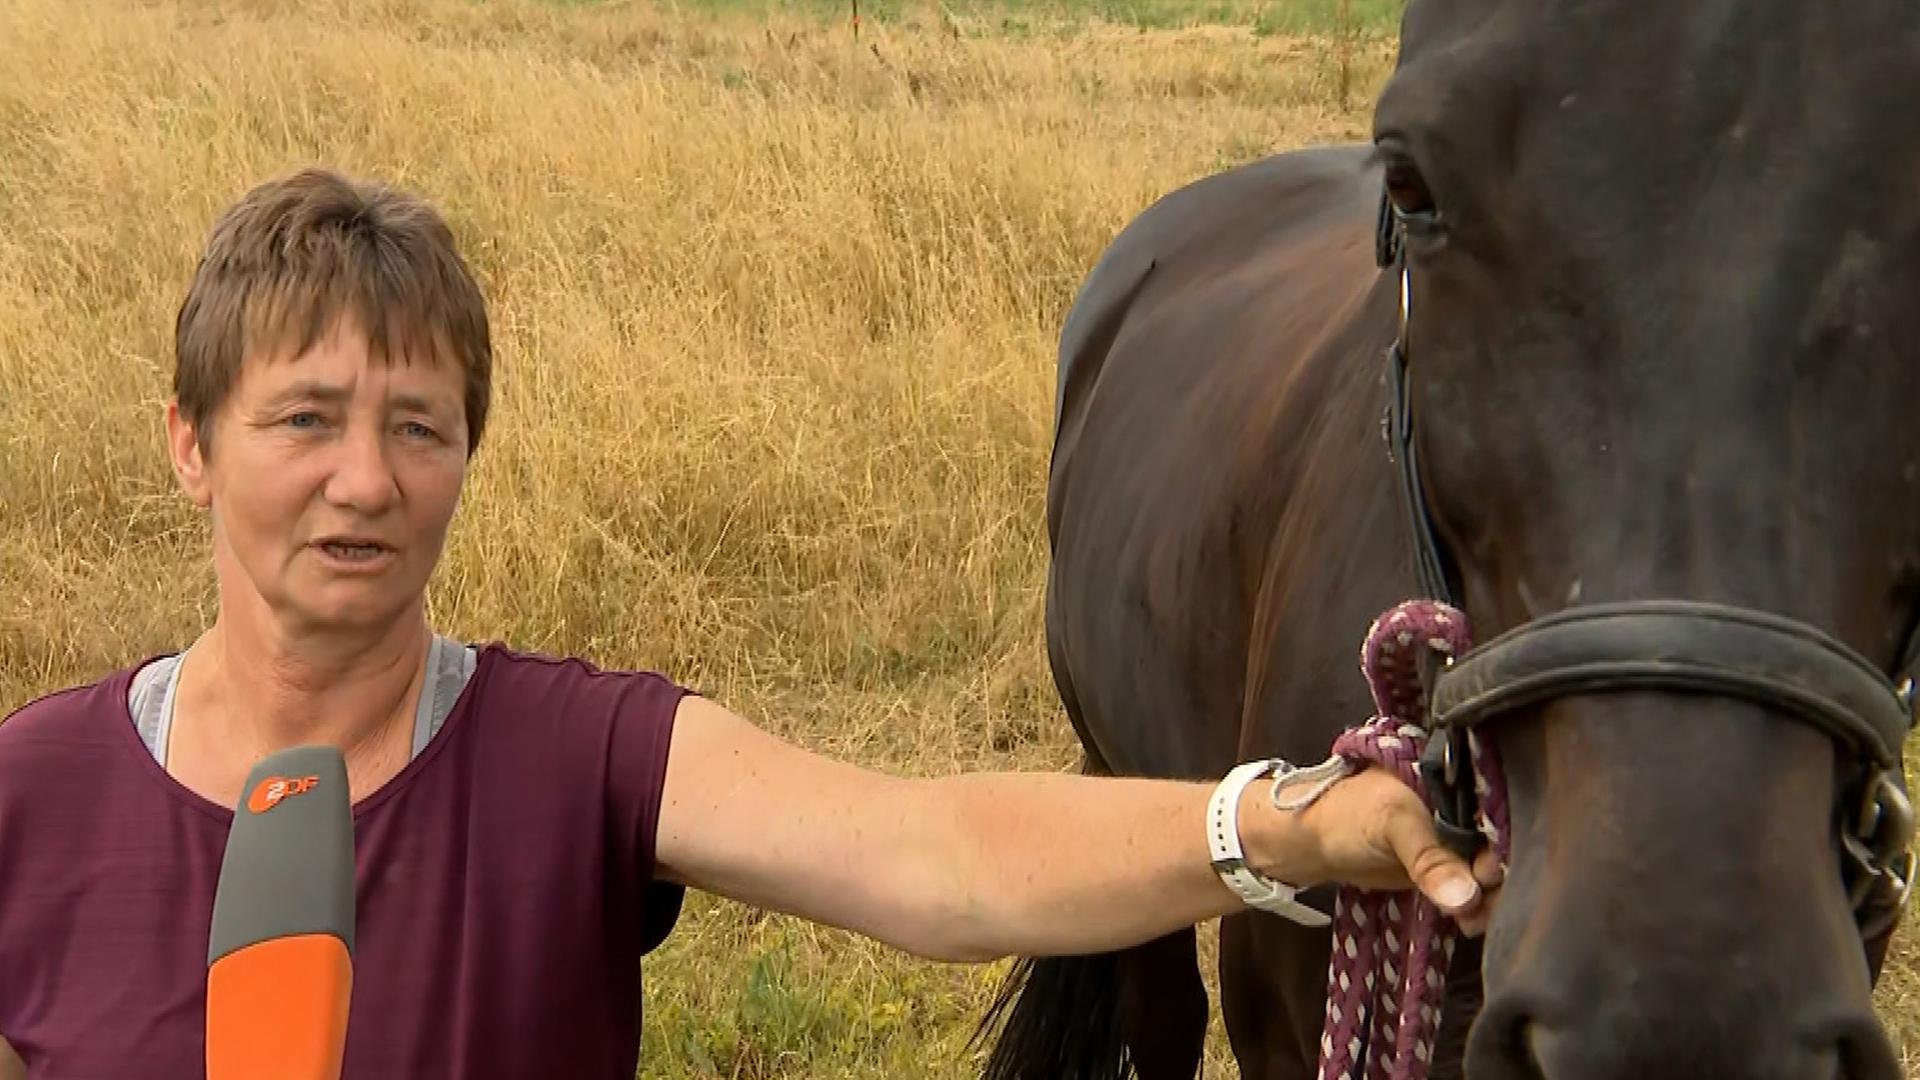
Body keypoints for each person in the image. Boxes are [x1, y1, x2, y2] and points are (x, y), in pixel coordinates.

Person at [0, 168, 1502, 1079]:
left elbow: (938, 857)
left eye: (419, 425)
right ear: (189, 444)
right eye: (304, 420)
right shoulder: (34, 797)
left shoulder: (572, 756)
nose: (366, 481)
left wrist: (1293, 828)